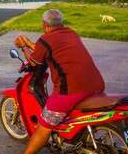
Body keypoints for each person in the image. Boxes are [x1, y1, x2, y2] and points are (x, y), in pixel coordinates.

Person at [14, 9, 105, 154]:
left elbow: (33, 62)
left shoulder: (45, 39)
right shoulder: (71, 33)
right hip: (97, 85)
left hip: (70, 90)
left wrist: (23, 46)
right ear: (61, 23)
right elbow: (50, 48)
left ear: (44, 24)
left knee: (44, 128)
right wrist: (30, 42)